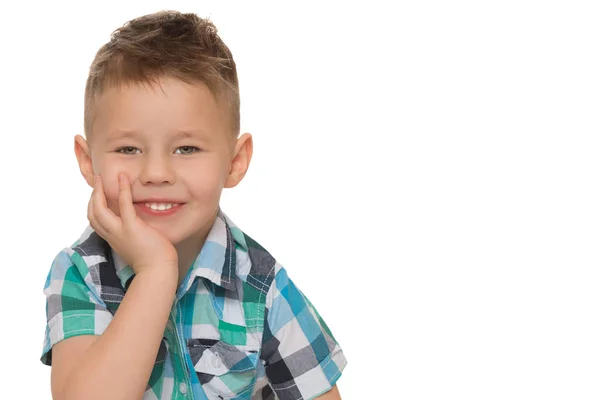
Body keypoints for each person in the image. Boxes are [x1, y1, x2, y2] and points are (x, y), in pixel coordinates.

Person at [40, 10, 347, 400]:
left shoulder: (262, 285)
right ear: (88, 161)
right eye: (128, 148)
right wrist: (155, 272)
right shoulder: (81, 274)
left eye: (186, 148)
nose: (155, 172)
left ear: (235, 163)